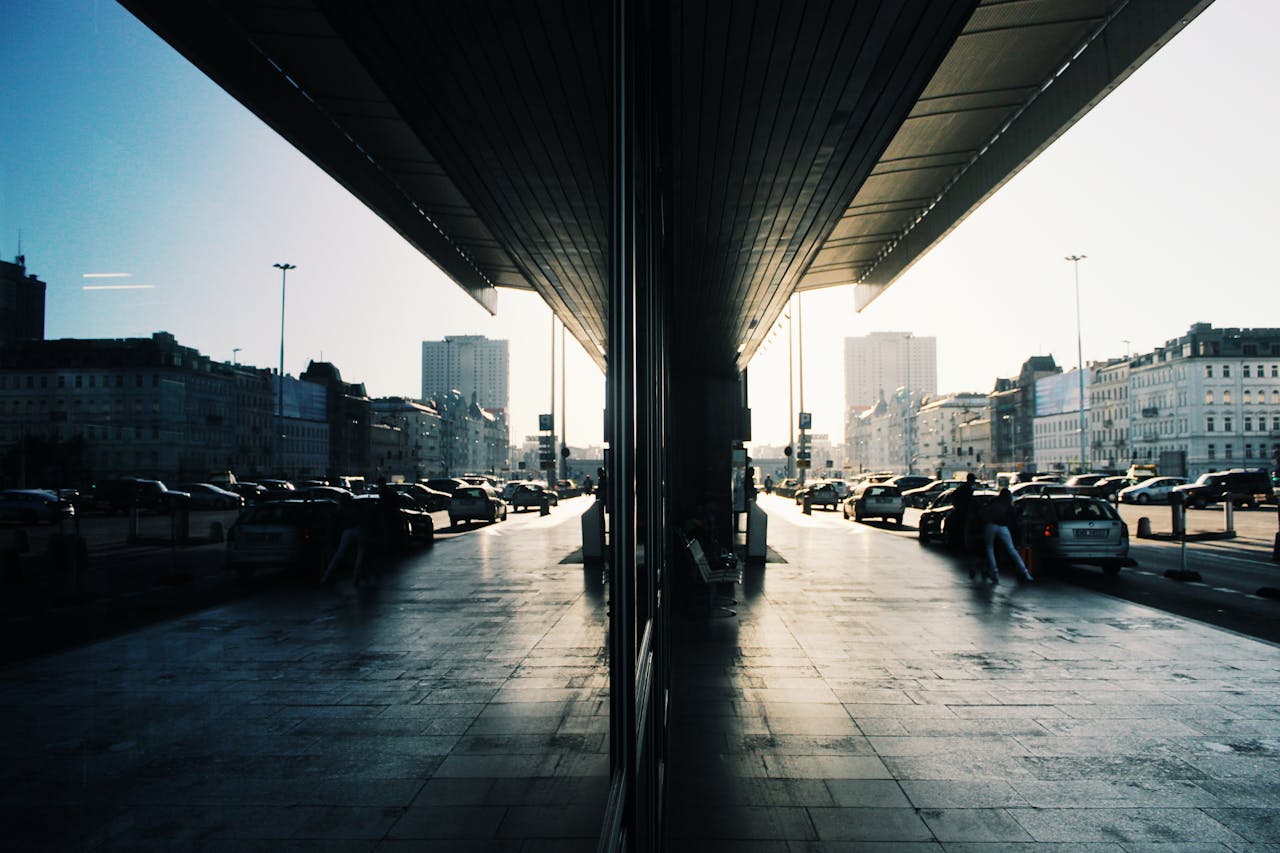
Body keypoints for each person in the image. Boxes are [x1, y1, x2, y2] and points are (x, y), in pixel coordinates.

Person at [980, 488, 1033, 584]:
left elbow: (984, 511)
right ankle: (1025, 572)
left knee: (989, 548)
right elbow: (1014, 515)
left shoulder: (993, 501)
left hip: (990, 525)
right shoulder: (1008, 505)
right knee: (1011, 549)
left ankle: (994, 572)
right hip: (1002, 526)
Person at [321, 495, 367, 585]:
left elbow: (337, 519)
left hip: (347, 530)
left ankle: (326, 575)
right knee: (360, 553)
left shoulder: (342, 507)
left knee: (339, 554)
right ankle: (356, 577)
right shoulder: (356, 505)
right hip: (359, 529)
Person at [946, 473, 976, 551]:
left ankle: (962, 545)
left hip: (962, 511)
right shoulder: (967, 489)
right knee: (965, 529)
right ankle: (965, 546)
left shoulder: (963, 488)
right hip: (965, 512)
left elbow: (953, 496)